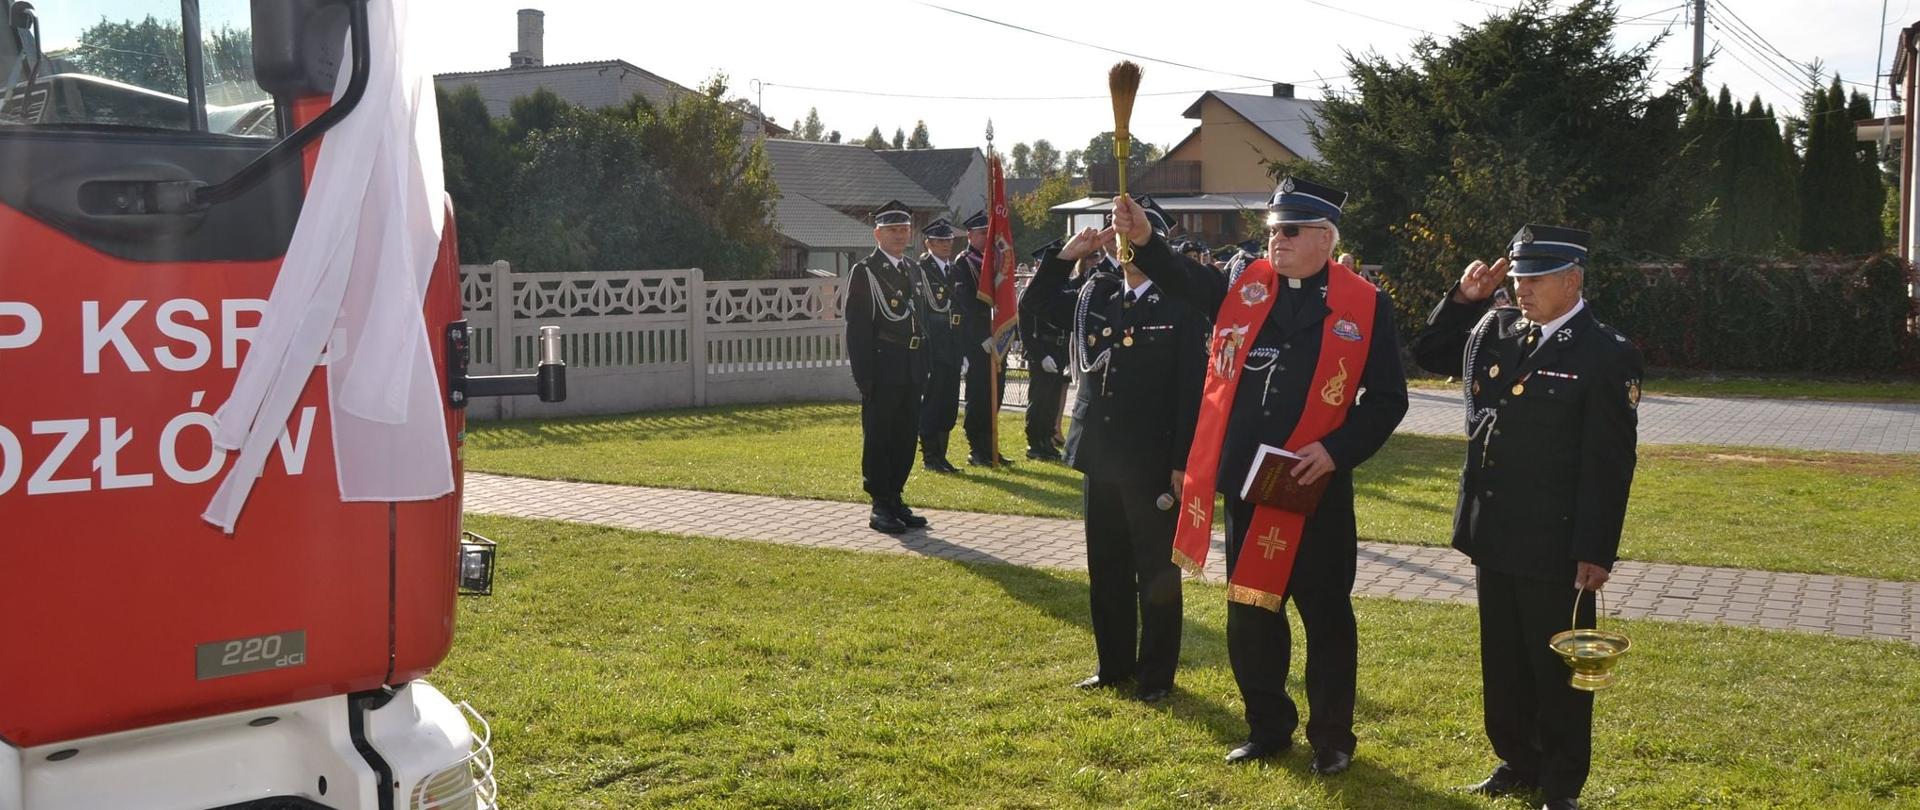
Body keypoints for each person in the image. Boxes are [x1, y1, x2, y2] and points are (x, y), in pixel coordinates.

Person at [1114, 178, 1408, 774]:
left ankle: (1332, 738)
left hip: (1317, 489)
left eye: (1291, 230)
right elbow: (1185, 280)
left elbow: (1387, 400)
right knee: (1251, 612)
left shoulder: (1365, 304)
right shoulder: (1244, 288)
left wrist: (1336, 450)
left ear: (1325, 238)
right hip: (1251, 486)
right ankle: (1267, 727)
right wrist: (1144, 240)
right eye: (1273, 230)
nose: (1278, 240)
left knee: (1326, 616)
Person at [1410, 225, 1642, 810]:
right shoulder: (1499, 330)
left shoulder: (1606, 353)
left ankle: (1561, 786)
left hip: (1554, 541)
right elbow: (1430, 353)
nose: (1522, 289)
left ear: (1573, 280)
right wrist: (1462, 300)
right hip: (1494, 530)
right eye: (1517, 278)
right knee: (1505, 662)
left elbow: (1609, 463)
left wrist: (1595, 549)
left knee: (1556, 670)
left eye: (1535, 279)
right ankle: (1518, 761)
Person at [1019, 224, 1206, 703]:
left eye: (1135, 238)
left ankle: (1156, 677)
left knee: (1156, 574)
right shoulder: (1095, 294)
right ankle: (1114, 666)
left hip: (1151, 457)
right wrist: (1065, 257)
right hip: (1100, 453)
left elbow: (1192, 389)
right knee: (1106, 567)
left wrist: (1182, 461)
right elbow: (1034, 305)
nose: (1126, 248)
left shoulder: (1180, 303)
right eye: (1119, 238)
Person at [845, 200, 933, 534]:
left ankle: (896, 497)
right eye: (893, 230)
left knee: (905, 436)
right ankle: (880, 504)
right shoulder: (866, 271)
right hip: (883, 367)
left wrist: (925, 365)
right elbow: (857, 328)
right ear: (877, 234)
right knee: (880, 436)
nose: (900, 235)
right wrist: (864, 377)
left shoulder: (913, 269)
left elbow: (923, 321)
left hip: (911, 366)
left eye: (905, 229)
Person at [953, 209, 1013, 466]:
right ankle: (977, 448)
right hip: (979, 340)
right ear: (969, 235)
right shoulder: (964, 262)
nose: (986, 238)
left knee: (995, 393)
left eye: (988, 234)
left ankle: (991, 446)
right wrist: (980, 336)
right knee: (979, 394)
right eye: (980, 234)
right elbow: (965, 304)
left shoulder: (997, 260)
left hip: (997, 336)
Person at [915, 217, 966, 473]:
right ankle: (930, 456)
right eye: (940, 241)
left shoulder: (954, 271)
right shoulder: (921, 270)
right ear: (928, 243)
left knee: (948, 403)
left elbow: (961, 311)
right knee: (933, 402)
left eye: (949, 240)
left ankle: (942, 456)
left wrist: (963, 350)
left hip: (953, 346)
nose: (946, 245)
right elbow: (922, 313)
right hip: (933, 347)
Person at [1019, 239, 1077, 461]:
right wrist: (1040, 355)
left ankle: (1047, 440)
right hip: (1041, 349)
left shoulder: (1063, 288)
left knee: (1052, 400)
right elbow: (1025, 330)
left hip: (1059, 348)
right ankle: (1035, 443)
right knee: (1040, 399)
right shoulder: (1031, 292)